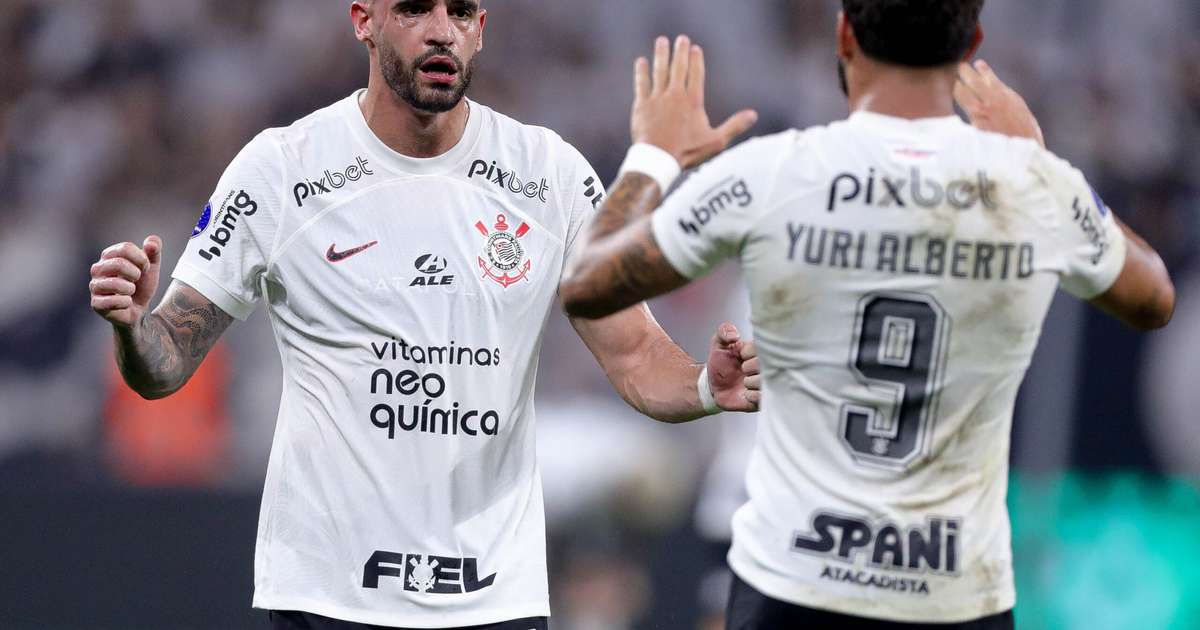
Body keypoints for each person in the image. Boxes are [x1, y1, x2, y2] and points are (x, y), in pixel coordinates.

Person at [87, 1, 762, 628]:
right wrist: (131, 327)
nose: (442, 28)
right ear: (364, 19)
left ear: (480, 27)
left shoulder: (547, 174)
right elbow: (163, 363)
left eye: (461, 10)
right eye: (414, 7)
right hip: (327, 598)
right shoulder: (281, 169)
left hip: (492, 597)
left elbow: (637, 355)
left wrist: (707, 384)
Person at [559, 0, 1176, 627]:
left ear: (845, 34)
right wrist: (1041, 164)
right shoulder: (1031, 187)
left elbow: (587, 283)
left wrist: (654, 157)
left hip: (794, 581)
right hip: (953, 592)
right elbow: (1154, 296)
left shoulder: (777, 171)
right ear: (973, 44)